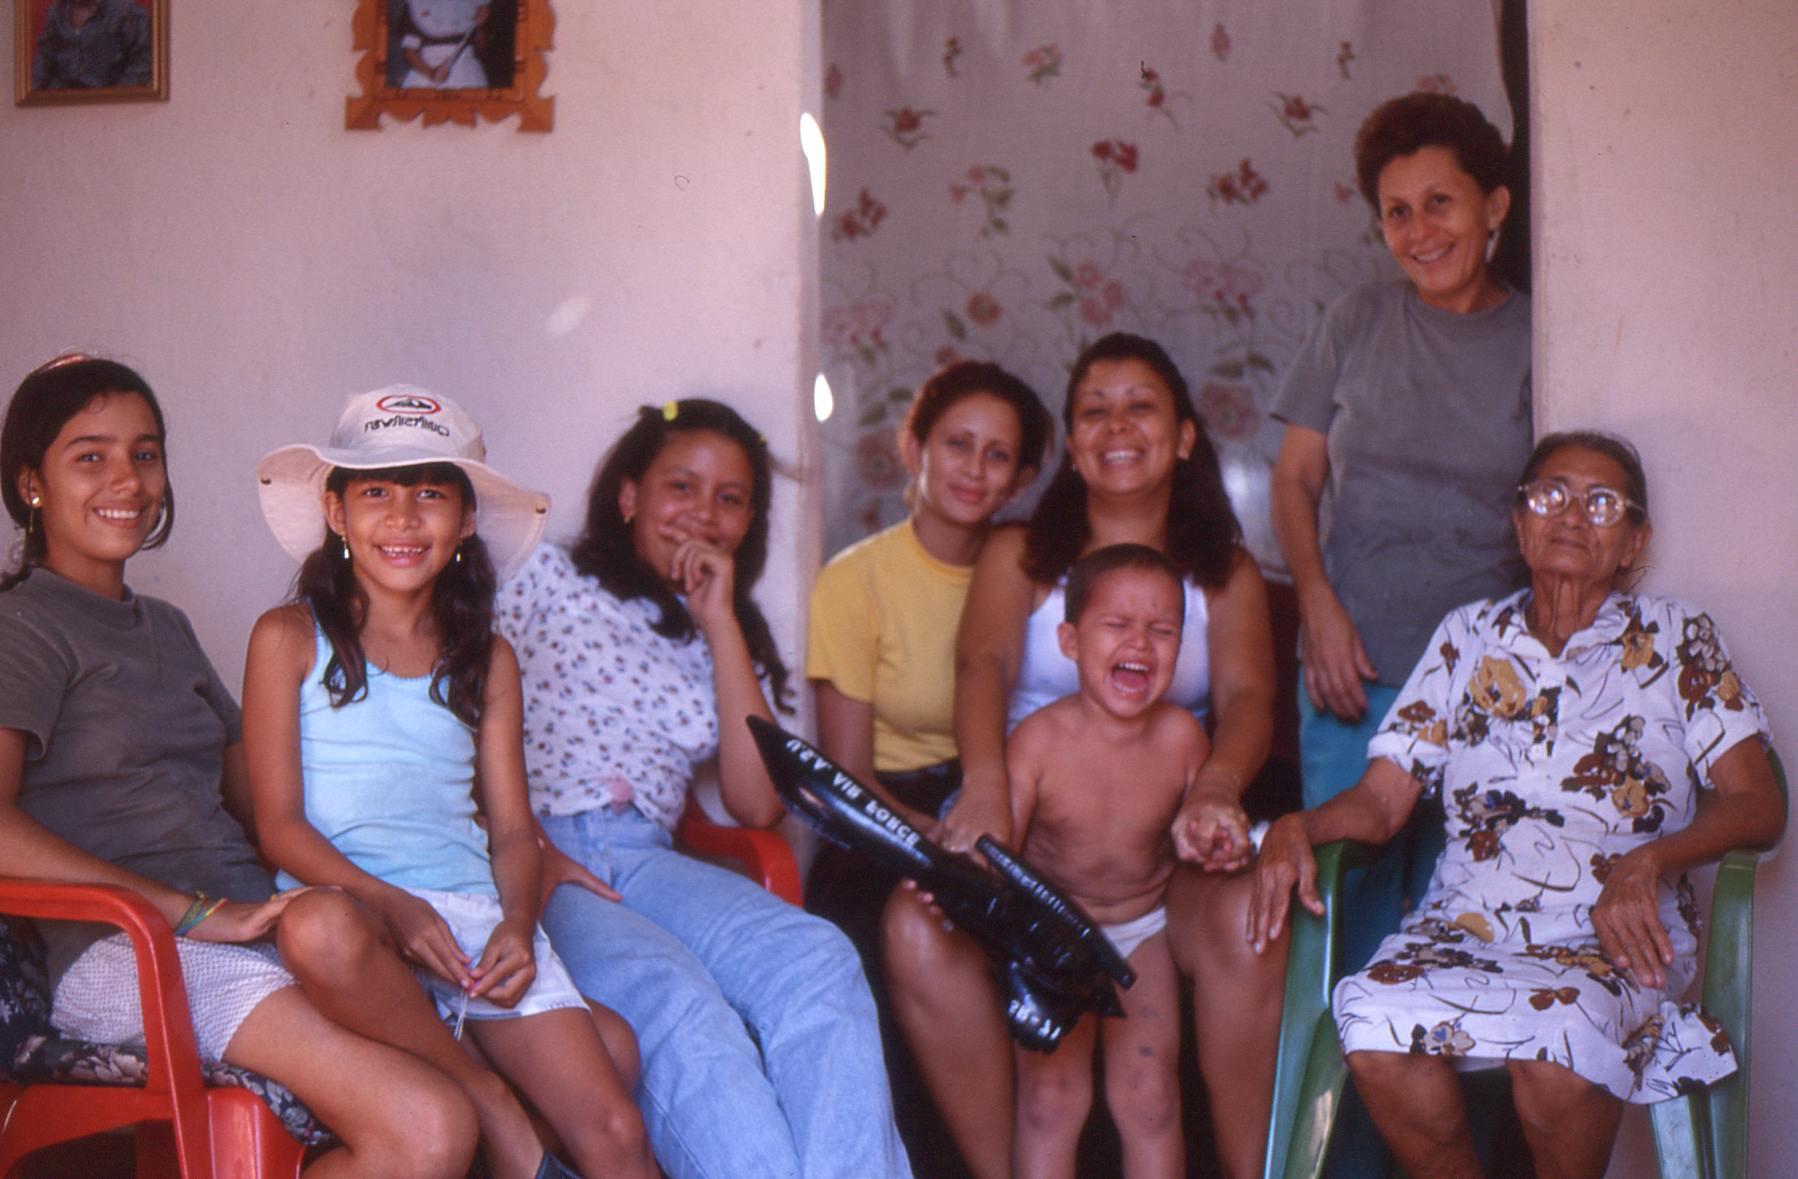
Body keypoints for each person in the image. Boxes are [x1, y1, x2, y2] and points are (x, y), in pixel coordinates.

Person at [1248, 432, 1785, 1179]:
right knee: (1369, 1022)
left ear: (1635, 541)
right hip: (1463, 927)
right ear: (1520, 523)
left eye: (1601, 503)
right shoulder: (1467, 636)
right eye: (1550, 495)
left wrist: (1650, 859)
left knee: (1558, 1050)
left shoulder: (1676, 638)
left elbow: (1759, 804)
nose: (1571, 515)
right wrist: (1296, 824)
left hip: (1615, 936)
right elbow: (1381, 801)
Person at [0, 356, 476, 1179]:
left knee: (487, 1059)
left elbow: (266, 806)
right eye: (90, 456)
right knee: (429, 1126)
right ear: (31, 483)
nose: (128, 479)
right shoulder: (21, 626)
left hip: (253, 928)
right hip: (124, 952)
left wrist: (441, 848)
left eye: (145, 454)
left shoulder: (167, 627)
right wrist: (191, 913)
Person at [885, 333, 1283, 1179]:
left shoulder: (1226, 572)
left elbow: (1250, 698)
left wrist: (1214, 789)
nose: (1117, 424)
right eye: (1095, 410)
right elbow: (980, 664)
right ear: (1072, 444)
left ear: (1184, 436)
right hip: (1027, 819)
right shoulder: (1019, 554)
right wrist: (985, 790)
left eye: (1141, 405)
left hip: (1165, 835)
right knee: (918, 925)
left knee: (1250, 926)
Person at [244, 387, 653, 1179]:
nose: (403, 517)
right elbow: (280, 826)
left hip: (466, 924)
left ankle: (502, 1137)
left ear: (466, 520)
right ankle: (492, 1107)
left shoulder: (486, 658)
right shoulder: (287, 637)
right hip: (353, 919)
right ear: (335, 513)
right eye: (376, 491)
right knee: (318, 928)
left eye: (430, 493)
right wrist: (392, 904)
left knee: (616, 1126)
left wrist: (517, 923)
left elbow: (513, 830)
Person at [496, 398, 912, 1179]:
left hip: (646, 858)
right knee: (678, 999)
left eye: (730, 498)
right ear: (630, 494)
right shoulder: (542, 573)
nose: (703, 514)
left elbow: (757, 803)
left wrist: (720, 621)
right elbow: (455, 706)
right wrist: (524, 844)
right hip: (539, 852)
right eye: (681, 487)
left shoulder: (717, 632)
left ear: (749, 521)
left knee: (818, 955)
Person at [1268, 91, 1534, 987]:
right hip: (1353, 670)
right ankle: (1341, 1088)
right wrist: (1316, 604)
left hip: (1489, 691)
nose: (1420, 231)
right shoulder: (1354, 322)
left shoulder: (1541, 338)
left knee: (1472, 932)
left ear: (1494, 206)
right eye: (1397, 212)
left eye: (1440, 202)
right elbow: (1294, 481)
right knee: (1350, 924)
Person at [1007, 544, 1225, 1179]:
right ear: (1070, 642)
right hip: (1049, 935)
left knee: (1151, 1098)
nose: (1140, 643)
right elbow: (999, 855)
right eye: (1117, 624)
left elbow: (1203, 836)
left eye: (1162, 630)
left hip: (1141, 932)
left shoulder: (1183, 739)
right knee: (1050, 1099)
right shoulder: (1035, 742)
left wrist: (1218, 839)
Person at [30, 0, 153, 91]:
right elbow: (44, 59)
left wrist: (114, 98)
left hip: (110, 100)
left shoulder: (129, 12)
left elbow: (142, 65)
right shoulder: (55, 12)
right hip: (60, 101)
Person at [398, 0, 492, 88]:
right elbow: (409, 52)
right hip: (427, 73)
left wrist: (480, 26)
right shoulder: (417, 6)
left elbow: (480, 47)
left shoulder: (471, 4)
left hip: (467, 72)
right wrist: (432, 74)